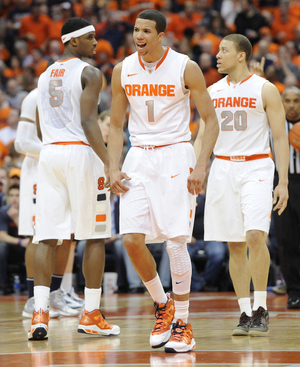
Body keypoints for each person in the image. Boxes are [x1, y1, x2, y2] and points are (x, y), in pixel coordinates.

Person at [108, 9, 218, 353]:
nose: (138, 36)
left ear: (161, 36)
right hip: (138, 155)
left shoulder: (185, 66)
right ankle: (162, 304)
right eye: (136, 30)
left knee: (175, 242)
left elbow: (210, 120)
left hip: (175, 154)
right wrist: (112, 167)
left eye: (146, 31)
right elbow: (114, 125)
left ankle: (183, 324)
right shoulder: (121, 69)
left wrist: (201, 164)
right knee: (130, 239)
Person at [28, 17, 120, 340]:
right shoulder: (90, 73)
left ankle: (40, 315)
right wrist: (110, 163)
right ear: (73, 41)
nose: (97, 43)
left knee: (47, 237)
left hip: (50, 154)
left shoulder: (42, 76)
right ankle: (91, 314)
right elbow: (88, 121)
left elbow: (40, 129)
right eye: (91, 38)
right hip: (80, 154)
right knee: (94, 235)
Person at [195, 34, 289, 337]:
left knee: (254, 235)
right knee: (234, 243)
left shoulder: (265, 89)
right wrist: (197, 169)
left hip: (257, 165)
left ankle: (261, 308)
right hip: (222, 166)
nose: (217, 55)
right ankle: (245, 312)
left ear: (241, 55)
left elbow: (280, 137)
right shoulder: (212, 90)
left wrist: (283, 180)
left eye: (224, 50)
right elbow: (202, 136)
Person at [14, 88, 81, 319]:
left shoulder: (71, 97)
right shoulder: (34, 96)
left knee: (65, 233)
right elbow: (22, 142)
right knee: (38, 234)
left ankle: (54, 294)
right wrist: (57, 152)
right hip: (38, 169)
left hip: (61, 170)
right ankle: (33, 299)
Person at [272, 87, 300, 309]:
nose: (292, 105)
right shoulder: (273, 124)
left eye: (296, 101)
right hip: (282, 185)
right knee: (286, 241)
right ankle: (294, 292)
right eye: (287, 101)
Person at [0, 184, 30, 294]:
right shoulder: (3, 211)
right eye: (11, 195)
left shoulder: (29, 211)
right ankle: (2, 287)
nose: (14, 198)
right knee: (1, 248)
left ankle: (30, 286)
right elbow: (1, 235)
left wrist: (16, 218)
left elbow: (29, 236)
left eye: (17, 195)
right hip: (13, 246)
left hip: (26, 246)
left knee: (33, 246)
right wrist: (20, 241)